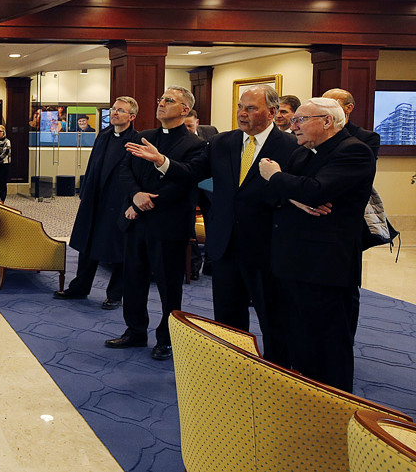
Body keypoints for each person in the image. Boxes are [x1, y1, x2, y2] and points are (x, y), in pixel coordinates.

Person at [127, 86, 299, 365]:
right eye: (241, 107)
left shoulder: (290, 147)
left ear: (272, 112)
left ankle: (275, 372)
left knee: (273, 318)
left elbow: (296, 189)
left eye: (251, 108)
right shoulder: (223, 142)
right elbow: (191, 173)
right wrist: (162, 161)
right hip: (225, 244)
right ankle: (234, 366)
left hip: (267, 246)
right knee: (228, 317)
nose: (243, 113)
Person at [259, 97, 375, 392]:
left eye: (300, 120)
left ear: (326, 121)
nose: (293, 126)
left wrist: (277, 177)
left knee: (328, 340)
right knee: (298, 334)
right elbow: (276, 197)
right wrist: (297, 196)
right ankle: (304, 395)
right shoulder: (303, 153)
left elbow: (316, 190)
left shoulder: (354, 152)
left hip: (326, 264)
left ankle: (334, 404)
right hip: (292, 258)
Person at [106, 86, 205, 360]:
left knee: (168, 285)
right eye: (161, 99)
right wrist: (136, 196)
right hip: (137, 221)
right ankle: (135, 331)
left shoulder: (195, 145)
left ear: (185, 109)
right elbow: (125, 170)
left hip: (168, 224)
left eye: (169, 100)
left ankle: (167, 338)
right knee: (133, 279)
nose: (161, 103)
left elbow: (185, 181)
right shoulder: (144, 136)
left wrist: (149, 201)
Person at [56, 96, 139, 309]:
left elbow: (136, 176)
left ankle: (115, 295)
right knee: (87, 244)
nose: (114, 113)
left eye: (120, 110)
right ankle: (80, 288)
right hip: (94, 199)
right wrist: (84, 191)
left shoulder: (136, 140)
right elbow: (92, 165)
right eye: (113, 109)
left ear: (131, 116)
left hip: (118, 201)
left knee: (117, 248)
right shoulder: (103, 135)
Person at [322, 88, 381, 159]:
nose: (323, 109)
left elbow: (363, 167)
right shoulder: (314, 133)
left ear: (349, 108)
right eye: (321, 105)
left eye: (329, 105)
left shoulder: (367, 138)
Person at [0, 125, 12, 202]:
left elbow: (5, 153)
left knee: (2, 183)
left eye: (1, 131)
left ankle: (2, 200)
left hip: (4, 164)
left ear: (4, 132)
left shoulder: (7, 141)